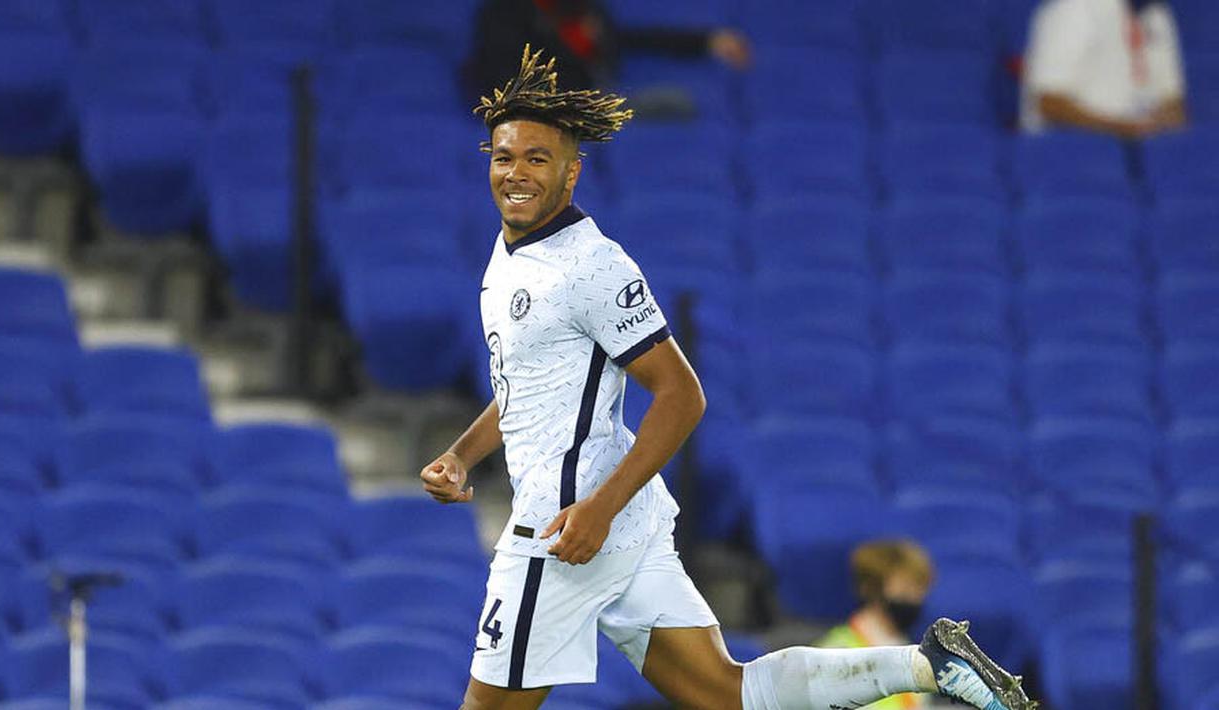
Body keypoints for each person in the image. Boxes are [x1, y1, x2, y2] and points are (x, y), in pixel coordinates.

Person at [421, 45, 1038, 710]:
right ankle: (925, 664)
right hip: (606, 520)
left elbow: (681, 395)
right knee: (725, 693)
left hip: (566, 528)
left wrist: (598, 510)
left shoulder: (591, 266)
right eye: (504, 157)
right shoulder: (508, 254)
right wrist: (462, 455)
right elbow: (528, 389)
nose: (516, 173)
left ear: (572, 173)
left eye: (537, 159)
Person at [463, 0, 750, 102]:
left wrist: (706, 41)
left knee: (676, 104)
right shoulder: (505, 14)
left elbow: (632, 38)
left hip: (598, 107)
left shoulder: (586, 10)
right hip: (551, 114)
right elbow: (505, 76)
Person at [1021, 0, 1188, 137]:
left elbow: (1172, 99)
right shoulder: (1071, 8)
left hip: (1138, 143)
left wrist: (1163, 120)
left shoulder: (1157, 13)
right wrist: (1121, 128)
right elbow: (1047, 103)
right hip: (1069, 147)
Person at [817, 541, 938, 709]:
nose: (914, 599)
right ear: (872, 589)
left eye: (919, 590)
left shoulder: (915, 655)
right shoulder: (836, 654)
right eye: (904, 589)